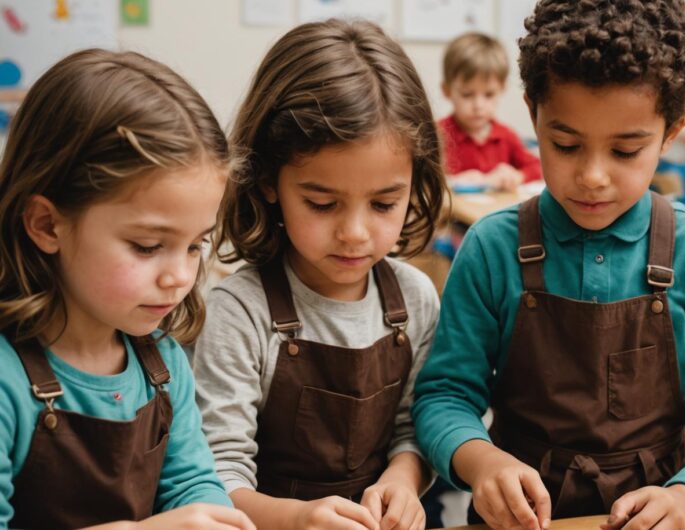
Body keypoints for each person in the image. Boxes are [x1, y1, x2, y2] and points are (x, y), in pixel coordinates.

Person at [412, 2, 685, 529]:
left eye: (626, 150)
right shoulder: (492, 248)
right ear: (533, 113)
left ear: (673, 131)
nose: (591, 176)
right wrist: (482, 462)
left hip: (666, 510)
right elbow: (443, 395)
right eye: (565, 144)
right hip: (522, 516)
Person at [192, 20, 446, 530]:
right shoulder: (241, 310)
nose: (354, 233)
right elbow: (218, 473)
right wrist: (297, 519)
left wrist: (403, 479)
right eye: (322, 203)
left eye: (384, 202)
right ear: (267, 180)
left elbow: (414, 428)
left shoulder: (415, 298)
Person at [0, 49, 254, 530]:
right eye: (147, 246)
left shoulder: (161, 363)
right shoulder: (7, 378)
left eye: (196, 245)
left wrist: (216, 515)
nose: (179, 275)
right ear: (47, 224)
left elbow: (191, 484)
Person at [439, 32, 542, 192]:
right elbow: (419, 178)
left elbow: (537, 167)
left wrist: (516, 176)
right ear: (447, 91)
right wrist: (452, 181)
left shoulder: (505, 136)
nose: (478, 105)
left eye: (489, 94)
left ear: (502, 89)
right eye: (467, 94)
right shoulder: (438, 135)